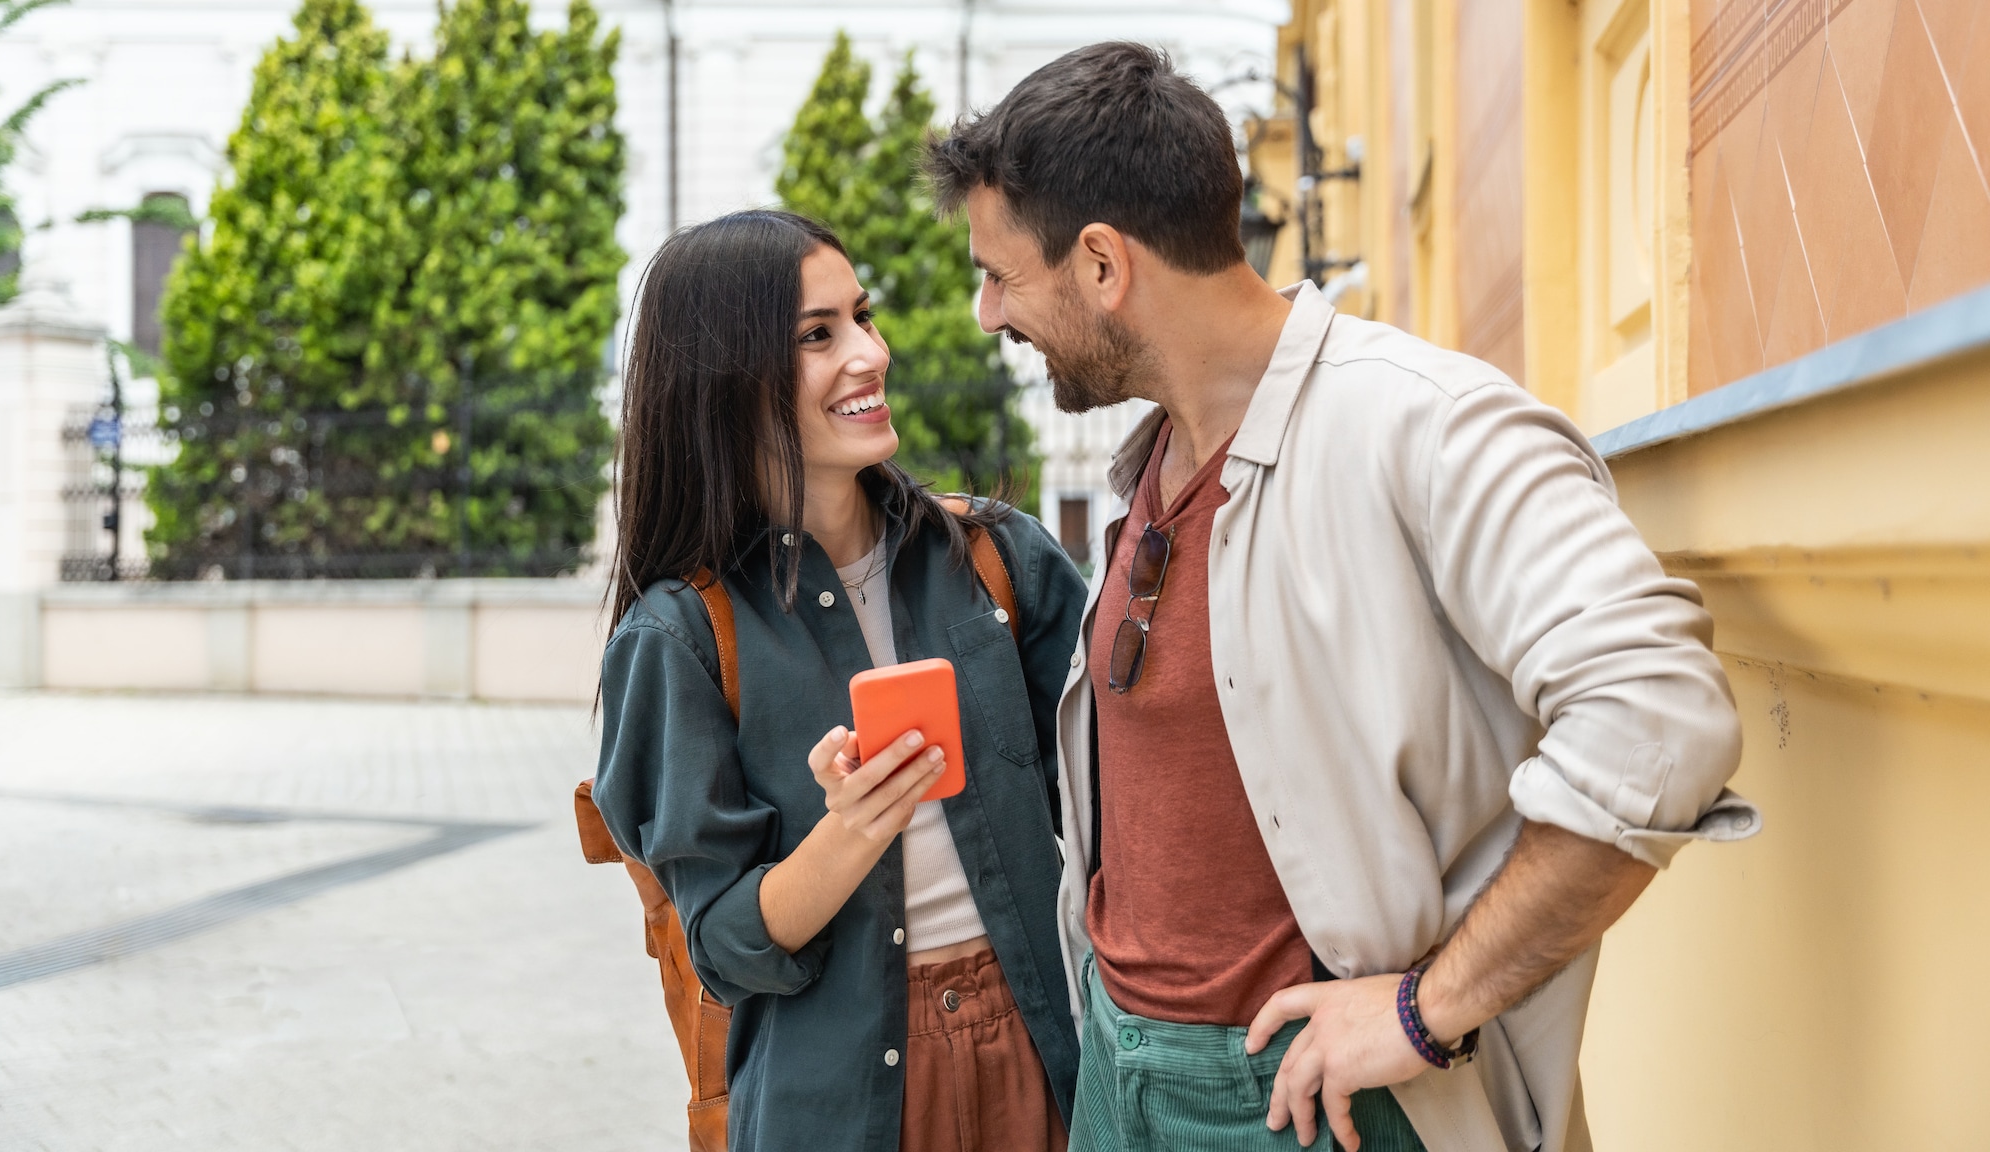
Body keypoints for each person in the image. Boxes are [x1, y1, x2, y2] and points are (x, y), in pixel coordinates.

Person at [927, 42, 1756, 1152]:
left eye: (998, 274)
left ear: (1098, 264)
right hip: (1120, 1087)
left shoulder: (1426, 425)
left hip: (1317, 1110)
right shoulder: (1153, 464)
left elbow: (1657, 718)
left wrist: (1425, 1011)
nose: (986, 313)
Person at [592, 209, 1085, 1152]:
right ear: (727, 380)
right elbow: (727, 948)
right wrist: (854, 828)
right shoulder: (681, 637)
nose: (871, 353)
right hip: (837, 1102)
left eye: (862, 317)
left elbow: (1116, 808)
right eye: (818, 336)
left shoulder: (993, 559)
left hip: (1041, 1052)